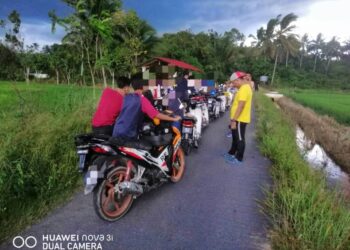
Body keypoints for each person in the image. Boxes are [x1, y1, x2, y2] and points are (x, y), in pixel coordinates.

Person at [112, 78, 181, 140]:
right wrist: (174, 119)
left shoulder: (127, 96)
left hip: (116, 131)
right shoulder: (141, 99)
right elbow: (156, 115)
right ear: (143, 86)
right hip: (128, 135)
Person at [224, 71, 253, 164]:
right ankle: (232, 153)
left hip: (240, 119)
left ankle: (239, 158)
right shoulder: (243, 88)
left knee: (240, 138)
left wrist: (234, 120)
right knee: (235, 137)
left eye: (234, 82)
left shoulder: (244, 89)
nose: (233, 84)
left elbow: (241, 106)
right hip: (238, 118)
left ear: (238, 80)